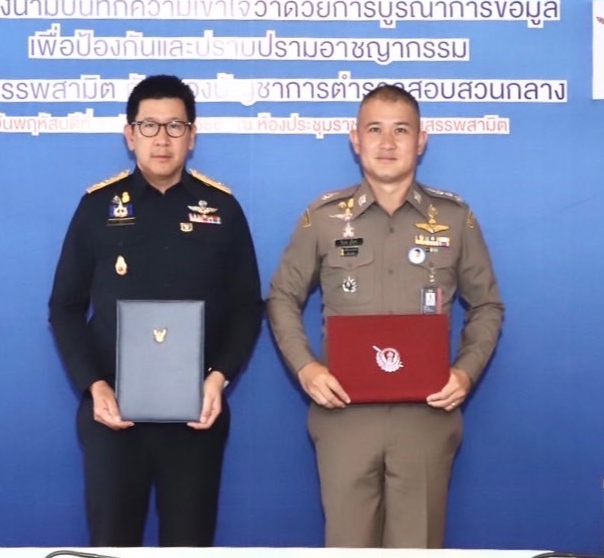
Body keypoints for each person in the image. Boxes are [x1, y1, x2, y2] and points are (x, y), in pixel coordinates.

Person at [266, 84, 504, 548]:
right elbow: (281, 298)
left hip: (426, 417)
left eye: (401, 130)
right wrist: (307, 368)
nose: (388, 143)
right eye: (374, 129)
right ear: (355, 140)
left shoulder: (455, 218)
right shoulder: (324, 217)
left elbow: (487, 305)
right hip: (344, 417)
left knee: (417, 548)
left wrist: (466, 372)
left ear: (421, 140)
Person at [48, 74, 262, 547]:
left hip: (195, 415)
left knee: (189, 545)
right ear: (130, 135)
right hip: (113, 414)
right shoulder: (97, 207)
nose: (162, 138)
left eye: (174, 126)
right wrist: (94, 385)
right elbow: (64, 308)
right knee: (112, 545)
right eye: (149, 126)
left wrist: (219, 378)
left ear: (192, 135)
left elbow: (248, 307)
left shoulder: (222, 209)